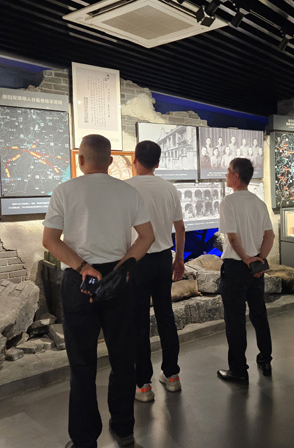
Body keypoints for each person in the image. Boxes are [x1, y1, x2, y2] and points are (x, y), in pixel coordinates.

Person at [42, 134, 155, 448]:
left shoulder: (65, 191)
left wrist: (82, 267)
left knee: (82, 364)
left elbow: (50, 240)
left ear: (80, 160)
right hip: (118, 281)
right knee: (122, 358)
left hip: (80, 280)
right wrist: (122, 267)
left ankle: (84, 439)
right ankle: (124, 428)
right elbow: (147, 237)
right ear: (110, 160)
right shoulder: (128, 191)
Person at [126, 140, 185, 403]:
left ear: (134, 159)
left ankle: (143, 385)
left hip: (136, 260)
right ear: (158, 163)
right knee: (165, 316)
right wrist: (179, 258)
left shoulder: (126, 187)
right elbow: (180, 228)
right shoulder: (169, 188)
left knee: (138, 321)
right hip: (163, 258)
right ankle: (172, 376)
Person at [217, 157, 274, 384]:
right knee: (259, 314)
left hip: (236, 267)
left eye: (228, 171)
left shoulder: (228, 202)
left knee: (235, 319)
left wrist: (247, 260)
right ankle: (265, 358)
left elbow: (232, 237)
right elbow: (269, 236)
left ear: (236, 176)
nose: (226, 175)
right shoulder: (258, 203)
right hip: (255, 269)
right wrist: (259, 260)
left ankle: (238, 369)